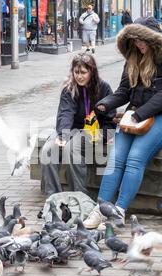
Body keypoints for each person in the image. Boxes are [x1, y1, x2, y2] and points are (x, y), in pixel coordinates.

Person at [83, 17, 162, 229]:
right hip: (134, 117)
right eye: (135, 40)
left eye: (142, 39)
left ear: (154, 38)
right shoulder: (133, 59)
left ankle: (119, 210)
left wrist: (141, 114)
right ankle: (101, 209)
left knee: (135, 158)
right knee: (115, 159)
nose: (138, 44)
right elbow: (123, 92)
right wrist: (103, 105)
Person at [40, 53, 116, 198]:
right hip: (71, 129)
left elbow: (110, 117)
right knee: (48, 151)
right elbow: (65, 113)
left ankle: (79, 198)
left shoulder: (103, 87)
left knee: (71, 149)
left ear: (91, 72)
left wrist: (106, 135)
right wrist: (63, 135)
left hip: (94, 132)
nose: (79, 76)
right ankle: (53, 199)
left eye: (83, 72)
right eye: (76, 72)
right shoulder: (69, 89)